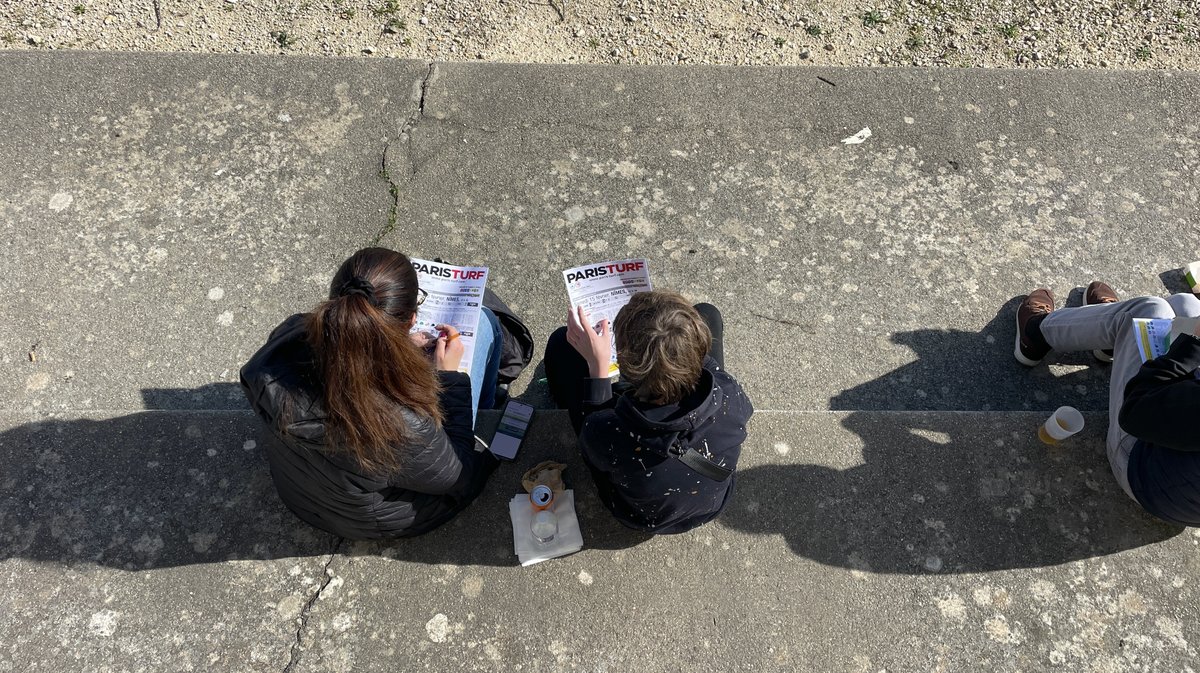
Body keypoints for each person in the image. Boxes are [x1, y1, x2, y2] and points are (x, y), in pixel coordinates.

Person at [240, 247, 503, 539]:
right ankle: (489, 409)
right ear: (410, 320)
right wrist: (449, 377)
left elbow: (345, 361)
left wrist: (395, 349)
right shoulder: (399, 426)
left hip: (300, 492)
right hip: (376, 518)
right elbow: (456, 476)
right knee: (485, 323)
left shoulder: (285, 341)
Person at [544, 290, 754, 534]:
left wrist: (598, 367)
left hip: (639, 516)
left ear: (624, 366)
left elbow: (594, 426)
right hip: (712, 504)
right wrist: (678, 345)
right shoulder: (729, 392)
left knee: (562, 343)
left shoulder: (607, 432)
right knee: (708, 312)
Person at [1015, 281, 1200, 527]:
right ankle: (1107, 338)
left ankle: (1036, 332)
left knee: (1148, 311)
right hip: (1189, 501)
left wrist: (1195, 345)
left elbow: (1136, 412)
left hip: (1143, 470)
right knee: (1185, 305)